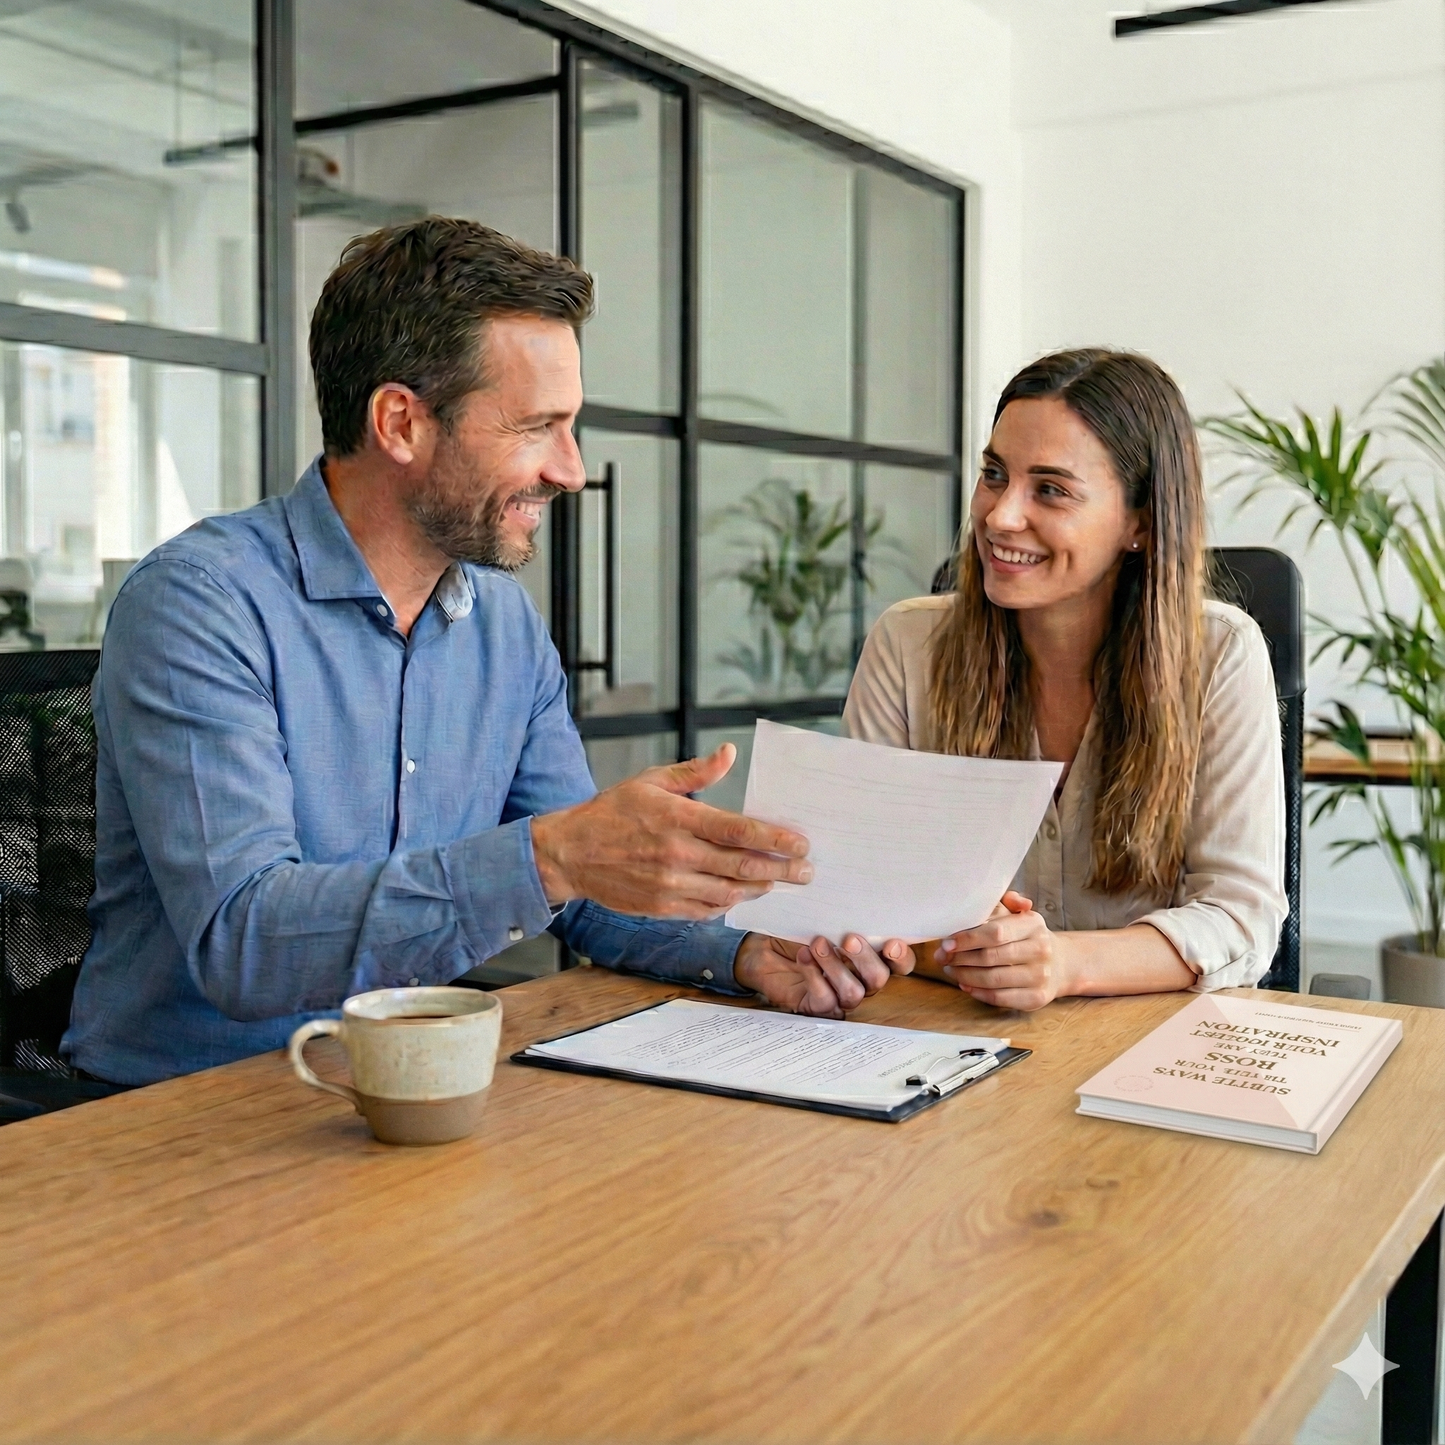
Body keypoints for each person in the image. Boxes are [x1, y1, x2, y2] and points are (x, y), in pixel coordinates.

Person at [64, 218, 911, 1086]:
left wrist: (745, 955)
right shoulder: (200, 606)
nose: (572, 470)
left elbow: (585, 896)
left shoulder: (501, 625)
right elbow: (243, 940)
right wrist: (550, 853)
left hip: (417, 1088)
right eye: (537, 426)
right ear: (401, 422)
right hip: (191, 1114)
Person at [838, 348, 1286, 1011]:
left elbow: (1240, 919)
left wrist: (1063, 962)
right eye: (993, 474)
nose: (998, 516)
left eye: (1048, 489)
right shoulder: (907, 644)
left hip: (1147, 1049)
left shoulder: (1219, 654)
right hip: (949, 1038)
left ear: (1139, 520)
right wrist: (964, 948)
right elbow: (858, 885)